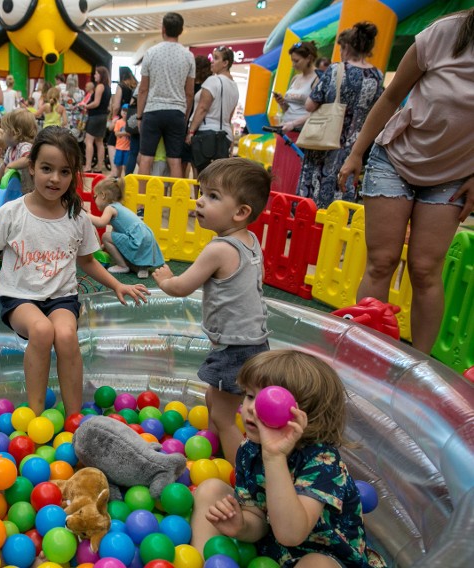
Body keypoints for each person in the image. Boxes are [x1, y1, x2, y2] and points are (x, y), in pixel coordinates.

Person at [0, 127, 149, 415]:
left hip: (61, 298)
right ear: (32, 167)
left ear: (74, 174)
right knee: (41, 330)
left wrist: (117, 285)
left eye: (64, 172)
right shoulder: (12, 213)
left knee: (65, 335)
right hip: (20, 297)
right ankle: (36, 414)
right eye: (47, 169)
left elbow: (87, 261)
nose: (55, 179)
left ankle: (74, 417)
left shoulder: (77, 217)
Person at [338, 9, 474, 354]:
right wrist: (357, 153)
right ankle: (367, 353)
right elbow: (390, 96)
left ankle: (422, 366)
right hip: (395, 159)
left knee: (425, 269)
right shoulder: (445, 34)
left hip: (455, 175)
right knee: (382, 260)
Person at [191, 350, 387, 568]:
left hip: (326, 556)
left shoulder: (322, 462)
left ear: (305, 414)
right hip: (271, 550)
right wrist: (242, 526)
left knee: (317, 565)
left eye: (267, 402)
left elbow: (291, 534)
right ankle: (200, 563)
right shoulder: (249, 450)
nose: (251, 408)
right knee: (211, 489)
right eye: (249, 395)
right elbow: (258, 518)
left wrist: (274, 456)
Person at [153, 158, 271, 465]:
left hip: (235, 349)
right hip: (255, 343)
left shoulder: (219, 249)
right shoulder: (251, 241)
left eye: (213, 196)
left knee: (223, 417)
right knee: (214, 400)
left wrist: (165, 281)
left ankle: (239, 476)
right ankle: (213, 452)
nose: (200, 201)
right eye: (202, 192)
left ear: (241, 212)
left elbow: (182, 287)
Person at [296, 22, 383, 210]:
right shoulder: (377, 76)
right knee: (342, 189)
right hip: (354, 147)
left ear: (346, 47)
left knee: (317, 192)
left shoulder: (336, 70)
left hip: (325, 141)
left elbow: (310, 105)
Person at [136, 12, 196, 178]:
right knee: (175, 160)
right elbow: (189, 93)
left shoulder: (151, 53)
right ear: (181, 30)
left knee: (146, 158)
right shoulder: (188, 56)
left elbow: (143, 89)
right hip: (176, 111)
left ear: (163, 29)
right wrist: (184, 116)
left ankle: (142, 202)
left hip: (152, 110)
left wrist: (140, 117)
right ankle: (174, 200)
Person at [88, 177, 164, 279]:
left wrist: (88, 216)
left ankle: (122, 266)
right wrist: (103, 247)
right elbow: (116, 236)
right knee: (112, 240)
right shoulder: (119, 206)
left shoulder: (110, 208)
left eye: (95, 196)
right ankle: (140, 268)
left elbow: (101, 223)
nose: (94, 200)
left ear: (103, 195)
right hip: (146, 237)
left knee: (106, 236)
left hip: (137, 238)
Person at [187, 46, 239, 174]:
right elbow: (229, 117)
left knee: (201, 176)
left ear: (225, 63)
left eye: (216, 58)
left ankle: (200, 195)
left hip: (206, 134)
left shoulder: (212, 81)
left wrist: (191, 131)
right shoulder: (234, 87)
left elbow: (203, 108)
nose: (212, 61)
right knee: (216, 176)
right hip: (225, 136)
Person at [0, 108, 37, 192]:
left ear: (14, 133)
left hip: (28, 191)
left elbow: (28, 159)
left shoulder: (24, 146)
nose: (2, 134)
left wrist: (11, 165)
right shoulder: (11, 149)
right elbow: (4, 165)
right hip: (18, 190)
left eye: (4, 130)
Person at [274, 41, 320, 133]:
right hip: (286, 128)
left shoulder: (318, 78)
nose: (293, 65)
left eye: (297, 61)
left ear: (309, 58)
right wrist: (282, 102)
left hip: (303, 132)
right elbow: (288, 109)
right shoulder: (295, 78)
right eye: (292, 61)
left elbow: (319, 112)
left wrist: (293, 124)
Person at [181, 55, 213, 177]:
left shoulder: (189, 84)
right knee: (197, 164)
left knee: (183, 161)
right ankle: (196, 193)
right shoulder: (209, 85)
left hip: (187, 123)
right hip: (201, 125)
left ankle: (181, 188)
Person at [83, 66, 111, 174]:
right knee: (99, 142)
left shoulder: (100, 86)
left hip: (95, 116)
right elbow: (108, 106)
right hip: (103, 116)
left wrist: (86, 105)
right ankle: (99, 167)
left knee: (88, 141)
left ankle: (88, 166)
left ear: (101, 75)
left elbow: (96, 103)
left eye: (96, 73)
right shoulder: (108, 87)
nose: (94, 75)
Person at [110, 104, 131, 179]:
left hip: (128, 148)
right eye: (123, 111)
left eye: (127, 111)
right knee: (118, 164)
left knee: (126, 165)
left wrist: (123, 133)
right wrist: (126, 133)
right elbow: (116, 133)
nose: (125, 113)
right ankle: (118, 177)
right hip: (119, 147)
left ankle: (126, 178)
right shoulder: (118, 122)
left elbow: (130, 133)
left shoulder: (130, 122)